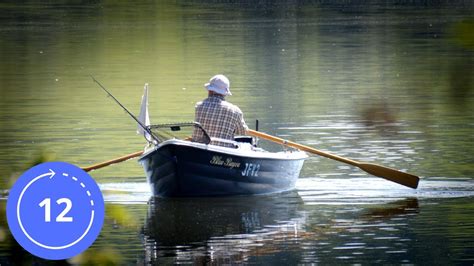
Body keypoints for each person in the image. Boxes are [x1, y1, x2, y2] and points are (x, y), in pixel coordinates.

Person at [192, 74, 248, 147]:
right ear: (224, 93)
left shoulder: (199, 106)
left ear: (210, 90)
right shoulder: (235, 111)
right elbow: (242, 132)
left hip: (199, 149)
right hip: (224, 150)